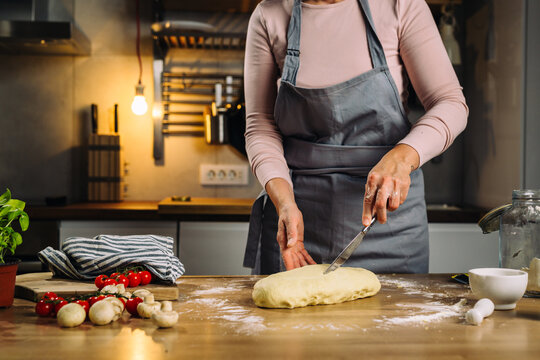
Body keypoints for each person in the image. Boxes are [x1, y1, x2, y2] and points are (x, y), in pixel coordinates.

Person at [242, 0, 468, 275]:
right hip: (297, 222)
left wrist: (402, 156)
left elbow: (450, 102)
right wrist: (284, 202)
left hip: (389, 222)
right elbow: (260, 125)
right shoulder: (270, 15)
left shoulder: (401, 5)